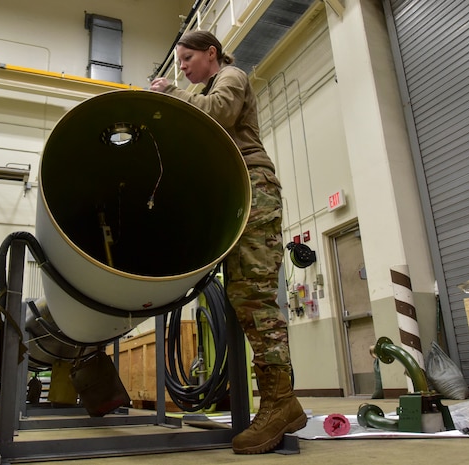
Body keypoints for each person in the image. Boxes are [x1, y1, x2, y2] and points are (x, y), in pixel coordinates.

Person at [150, 30, 307, 454]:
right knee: (242, 299)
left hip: (254, 185)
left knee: (255, 298)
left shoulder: (231, 77)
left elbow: (218, 114)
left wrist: (174, 92)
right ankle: (279, 401)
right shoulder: (204, 89)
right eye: (179, 62)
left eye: (186, 59)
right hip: (234, 192)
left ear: (211, 54)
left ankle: (279, 401)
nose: (181, 67)